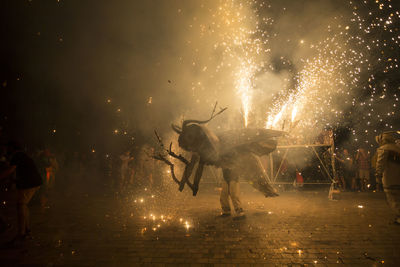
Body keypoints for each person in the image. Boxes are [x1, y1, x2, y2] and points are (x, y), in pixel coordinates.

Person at [0, 141, 42, 243]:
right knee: (23, 205)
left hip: (30, 183)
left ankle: (22, 233)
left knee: (21, 205)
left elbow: (11, 170)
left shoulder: (17, 155)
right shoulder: (22, 155)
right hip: (33, 182)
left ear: (12, 148)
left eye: (7, 148)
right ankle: (26, 231)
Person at [375, 132, 400, 225]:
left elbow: (380, 164)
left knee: (393, 199)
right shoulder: (398, 148)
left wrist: (378, 175)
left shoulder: (383, 149)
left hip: (390, 178)